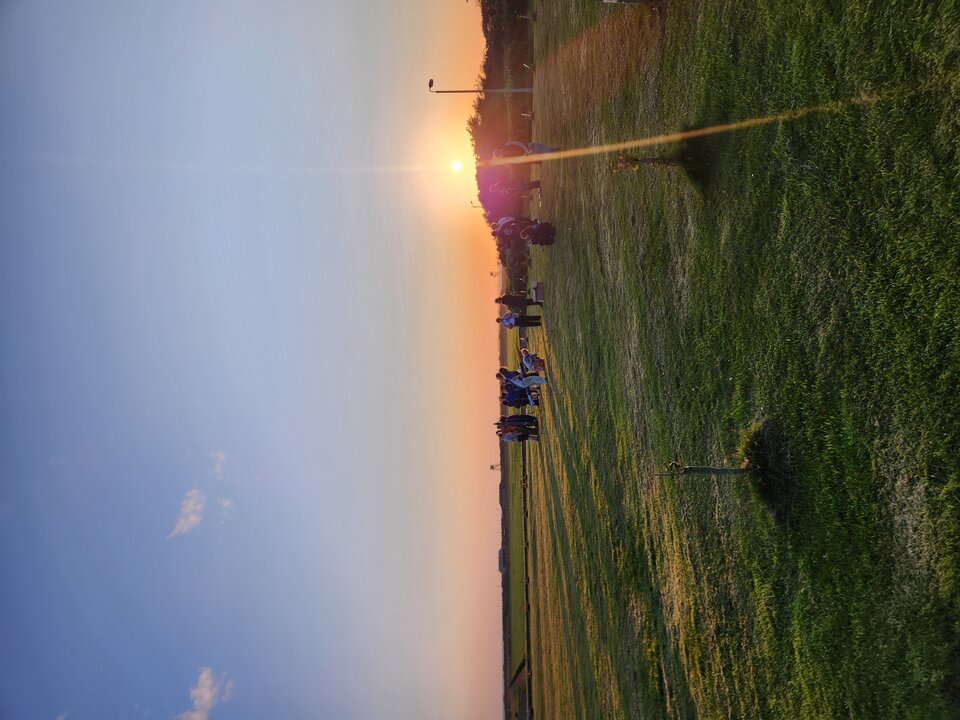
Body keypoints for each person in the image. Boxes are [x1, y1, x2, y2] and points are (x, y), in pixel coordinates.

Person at [492, 141, 560, 160]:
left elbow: (517, 160)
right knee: (540, 148)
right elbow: (517, 143)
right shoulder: (507, 145)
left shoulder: (506, 158)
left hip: (527, 152)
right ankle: (552, 151)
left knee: (540, 149)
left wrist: (525, 154)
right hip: (527, 147)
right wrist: (524, 148)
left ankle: (552, 150)